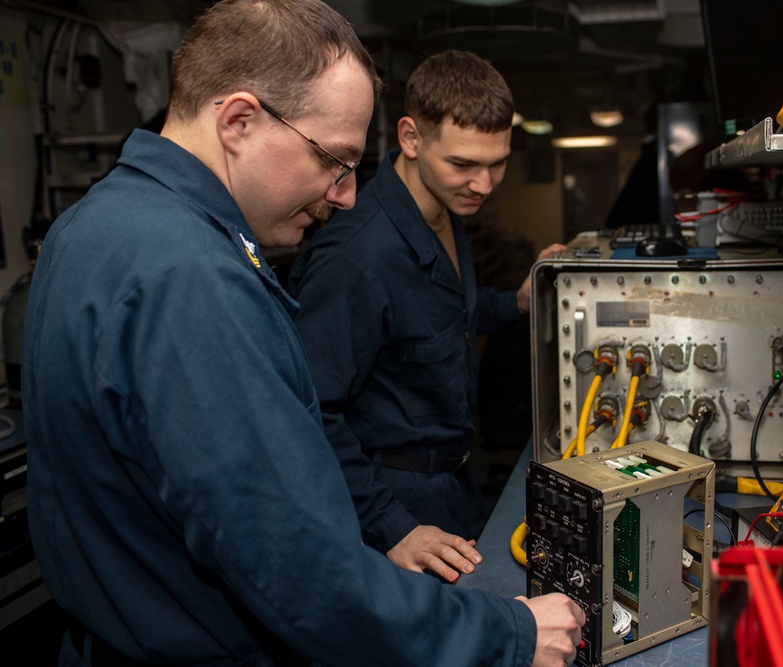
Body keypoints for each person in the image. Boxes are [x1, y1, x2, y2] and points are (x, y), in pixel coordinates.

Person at [22, 1, 584, 665]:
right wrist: (508, 632)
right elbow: (301, 573)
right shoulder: (188, 275)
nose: (345, 194)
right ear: (238, 121)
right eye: (333, 159)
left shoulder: (94, 226)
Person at [288, 50, 565, 582]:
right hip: (388, 506)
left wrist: (517, 303)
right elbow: (308, 409)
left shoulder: (443, 211)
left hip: (453, 483)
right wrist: (391, 526)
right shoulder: (358, 259)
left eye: (498, 162)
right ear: (411, 138)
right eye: (463, 164)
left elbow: (439, 316)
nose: (484, 184)